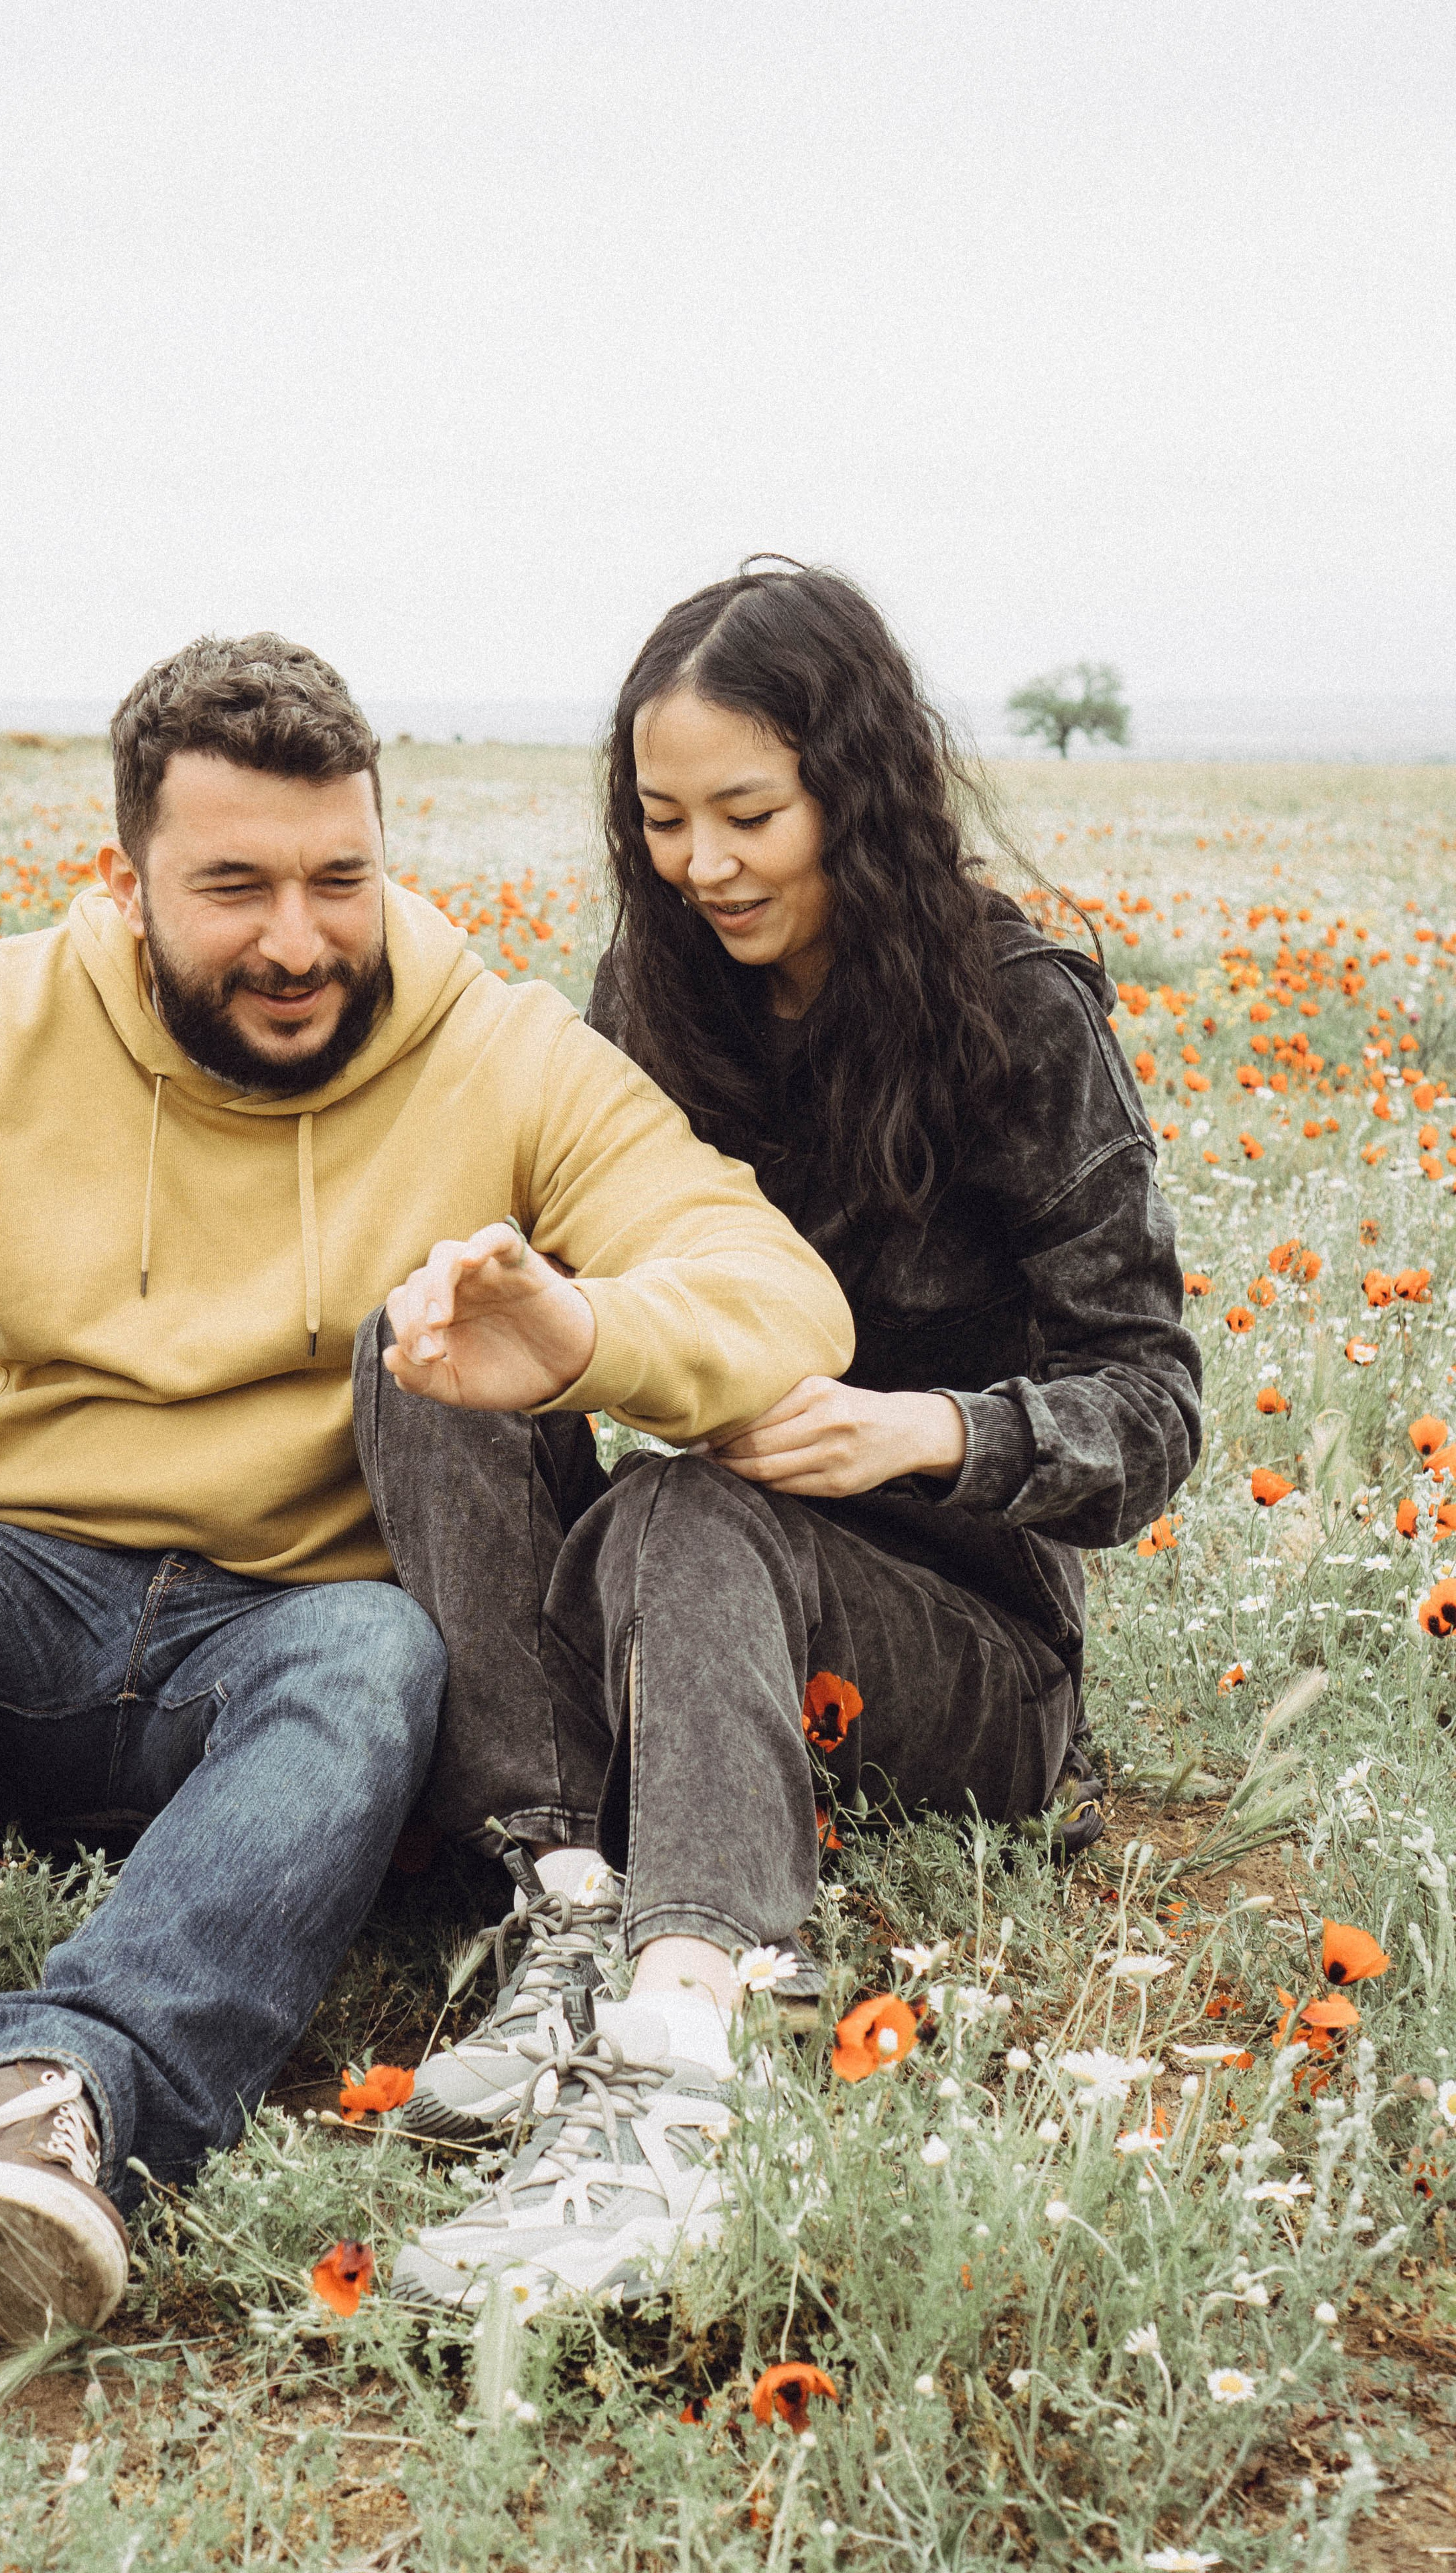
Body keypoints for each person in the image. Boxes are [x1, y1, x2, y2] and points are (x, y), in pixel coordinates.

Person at [0, 632, 852, 2345]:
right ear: (123, 882)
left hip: (289, 1652)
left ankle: (53, 2096)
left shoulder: (502, 1051)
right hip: (1, 1602)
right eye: (233, 886)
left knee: (375, 1658)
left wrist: (580, 1335)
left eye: (341, 879)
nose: (297, 938)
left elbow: (772, 1293)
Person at [358, 564, 1203, 2312]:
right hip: (686, 1598)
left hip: (959, 1642)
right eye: (665, 821)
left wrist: (923, 1433)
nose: (706, 864)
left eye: (750, 813)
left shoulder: (1016, 1009)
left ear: (858, 793)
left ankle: (680, 2059)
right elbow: (593, 1289)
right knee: (418, 1340)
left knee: (689, 1519)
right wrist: (532, 1311)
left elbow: (1155, 1404)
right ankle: (569, 1895)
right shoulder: (658, 991)